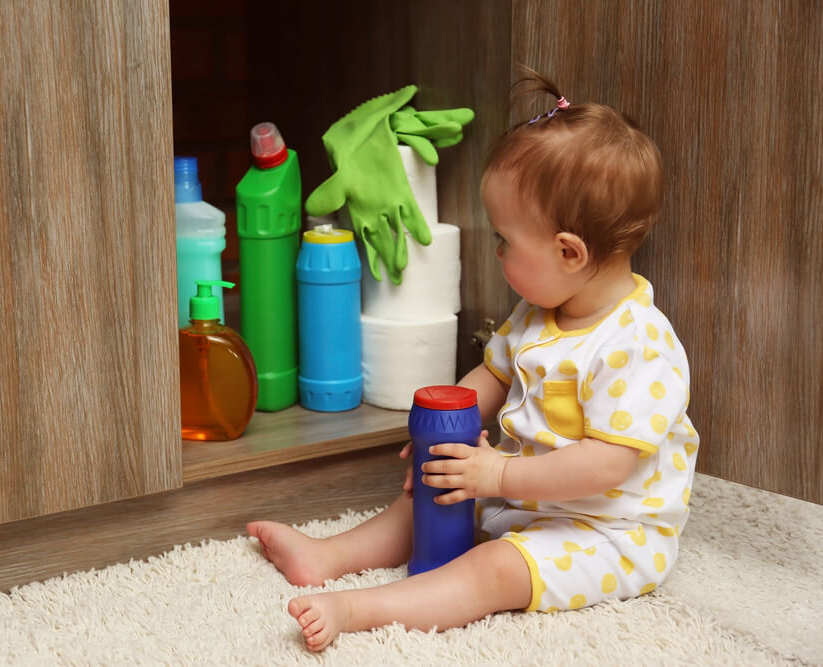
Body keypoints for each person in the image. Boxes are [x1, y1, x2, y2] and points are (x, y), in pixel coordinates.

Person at [247, 67, 700, 652]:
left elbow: (607, 466)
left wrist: (500, 474)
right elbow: (493, 373)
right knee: (434, 491)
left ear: (569, 252)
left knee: (492, 571)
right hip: (524, 493)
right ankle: (328, 555)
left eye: (508, 240)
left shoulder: (637, 344)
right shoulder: (540, 310)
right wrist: (442, 428)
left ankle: (359, 609)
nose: (497, 251)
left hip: (607, 530)